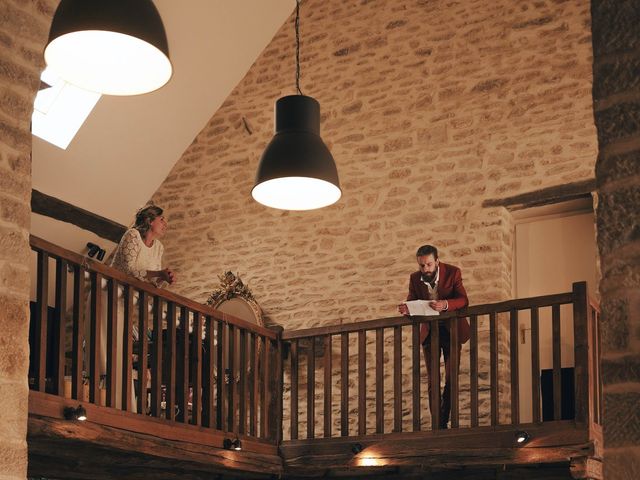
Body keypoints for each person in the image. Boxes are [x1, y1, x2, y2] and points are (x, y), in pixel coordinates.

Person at [398, 244, 469, 429]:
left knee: (451, 377)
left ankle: (444, 418)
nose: (425, 269)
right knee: (432, 380)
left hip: (451, 330)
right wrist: (405, 309)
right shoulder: (415, 278)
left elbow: (463, 300)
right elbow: (411, 302)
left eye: (429, 265)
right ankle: (438, 424)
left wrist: (445, 304)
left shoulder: (453, 272)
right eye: (422, 265)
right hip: (430, 333)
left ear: (436, 261)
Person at [110, 205, 175, 287]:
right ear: (150, 221)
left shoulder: (159, 247)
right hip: (114, 289)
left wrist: (164, 277)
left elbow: (153, 282)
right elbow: (128, 271)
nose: (165, 224)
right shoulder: (133, 235)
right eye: (161, 219)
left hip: (133, 296)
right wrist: (159, 273)